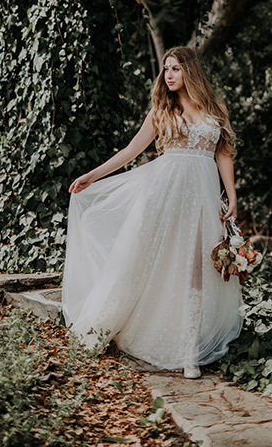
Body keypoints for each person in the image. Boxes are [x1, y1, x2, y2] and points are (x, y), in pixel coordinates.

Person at [62, 46, 242, 379]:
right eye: (165, 69)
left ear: (189, 71)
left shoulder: (215, 108)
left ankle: (189, 350)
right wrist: (92, 175)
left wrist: (231, 197)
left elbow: (223, 155)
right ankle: (109, 321)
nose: (168, 75)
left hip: (201, 200)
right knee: (147, 261)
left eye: (174, 69)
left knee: (197, 270)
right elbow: (131, 150)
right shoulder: (161, 110)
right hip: (164, 194)